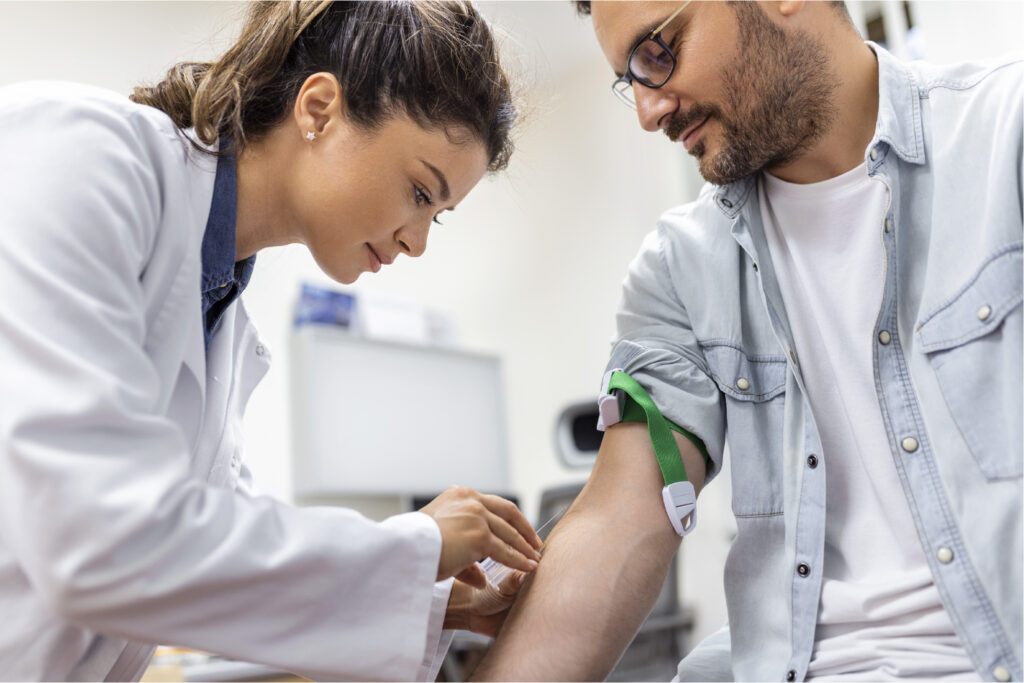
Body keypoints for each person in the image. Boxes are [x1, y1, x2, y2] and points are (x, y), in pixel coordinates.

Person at [473, 1, 1022, 681]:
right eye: (629, 80)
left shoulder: (1005, 136)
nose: (648, 111)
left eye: (658, 52)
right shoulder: (679, 269)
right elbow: (619, 516)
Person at [0, 1, 543, 680]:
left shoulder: (221, 318)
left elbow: (208, 566)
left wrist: (434, 601)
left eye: (438, 215)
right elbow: (98, 541)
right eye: (417, 192)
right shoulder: (80, 153)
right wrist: (416, 545)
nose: (417, 242)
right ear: (319, 110)